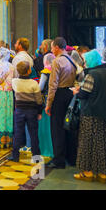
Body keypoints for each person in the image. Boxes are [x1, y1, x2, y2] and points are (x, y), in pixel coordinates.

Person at [73, 49, 106, 183]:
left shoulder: (92, 75)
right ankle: (103, 173)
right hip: (103, 112)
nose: (84, 63)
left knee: (87, 142)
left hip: (90, 113)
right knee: (101, 143)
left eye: (86, 61)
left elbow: (84, 94)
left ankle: (87, 172)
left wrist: (76, 91)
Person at [45, 37, 78, 169]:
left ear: (57, 47)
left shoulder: (57, 61)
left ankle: (58, 160)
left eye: (52, 47)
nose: (51, 50)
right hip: (70, 93)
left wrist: (48, 104)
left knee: (57, 128)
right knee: (69, 126)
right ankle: (71, 158)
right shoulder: (72, 59)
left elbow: (52, 85)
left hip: (59, 95)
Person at [9, 61, 44, 162]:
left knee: (18, 133)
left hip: (19, 110)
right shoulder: (34, 83)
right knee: (33, 134)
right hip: (32, 111)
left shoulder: (15, 82)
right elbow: (39, 100)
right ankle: (36, 157)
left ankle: (15, 156)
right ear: (29, 71)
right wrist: (39, 112)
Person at [38, 53, 55, 158]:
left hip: (45, 101)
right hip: (54, 100)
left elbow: (40, 87)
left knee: (45, 126)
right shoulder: (56, 69)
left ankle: (46, 149)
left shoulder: (45, 72)